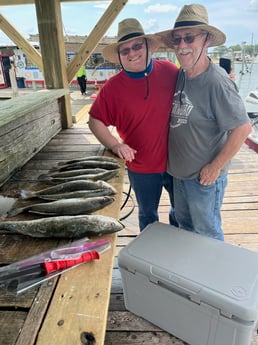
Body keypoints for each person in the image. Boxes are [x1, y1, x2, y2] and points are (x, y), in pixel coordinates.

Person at [156, 4, 252, 240]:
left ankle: (210, 276)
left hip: (204, 178)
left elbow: (242, 127)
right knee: (184, 228)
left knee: (207, 234)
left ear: (206, 40)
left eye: (189, 38)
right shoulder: (181, 73)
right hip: (179, 175)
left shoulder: (217, 81)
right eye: (177, 40)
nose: (182, 46)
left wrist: (215, 166)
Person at [88, 18, 179, 231]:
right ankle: (149, 258)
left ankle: (177, 257)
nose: (132, 53)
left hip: (177, 163)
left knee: (180, 212)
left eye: (137, 46)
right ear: (119, 57)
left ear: (148, 47)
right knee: (148, 216)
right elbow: (95, 121)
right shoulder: (112, 88)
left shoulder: (170, 70)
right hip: (141, 167)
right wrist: (115, 145)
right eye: (125, 50)